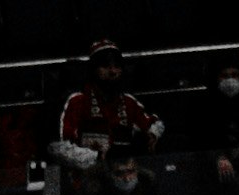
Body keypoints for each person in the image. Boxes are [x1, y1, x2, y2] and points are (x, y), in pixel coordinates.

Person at [51, 41, 164, 177]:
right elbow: (57, 149)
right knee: (53, 184)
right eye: (105, 66)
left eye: (117, 66)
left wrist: (152, 135)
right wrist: (99, 156)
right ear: (93, 69)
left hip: (118, 175)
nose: (113, 71)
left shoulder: (128, 101)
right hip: (81, 176)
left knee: (151, 177)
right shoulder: (76, 100)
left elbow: (154, 123)